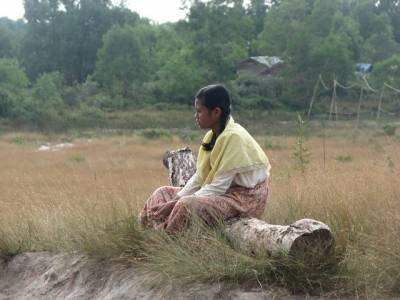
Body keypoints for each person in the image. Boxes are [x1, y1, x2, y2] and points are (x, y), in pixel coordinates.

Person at [140, 84, 271, 234]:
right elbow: (200, 177)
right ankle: (146, 233)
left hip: (245, 199)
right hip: (224, 193)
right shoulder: (211, 136)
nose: (196, 116)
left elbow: (218, 187)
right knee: (162, 193)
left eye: (199, 111)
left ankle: (166, 240)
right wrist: (175, 198)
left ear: (216, 112)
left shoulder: (234, 137)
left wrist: (175, 203)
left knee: (185, 204)